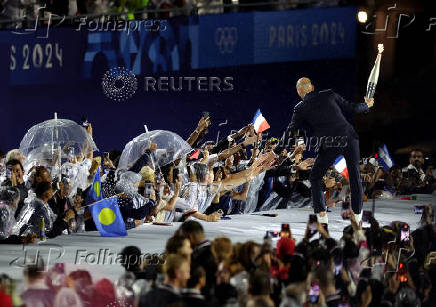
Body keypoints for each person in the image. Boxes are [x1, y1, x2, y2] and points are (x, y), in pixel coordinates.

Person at [287, 77, 374, 225]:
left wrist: (277, 150)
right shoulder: (329, 94)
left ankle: (321, 216)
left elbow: (291, 131)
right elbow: (353, 108)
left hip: (330, 143)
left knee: (315, 176)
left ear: (299, 91)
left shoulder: (300, 107)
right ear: (312, 87)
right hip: (349, 137)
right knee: (355, 177)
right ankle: (357, 217)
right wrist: (366, 105)